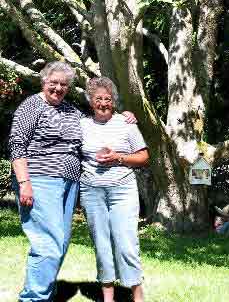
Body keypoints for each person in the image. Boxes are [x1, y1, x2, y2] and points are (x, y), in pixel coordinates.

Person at [9, 61, 136, 302]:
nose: (58, 88)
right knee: (48, 243)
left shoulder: (70, 110)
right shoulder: (31, 106)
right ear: (43, 82)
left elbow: (99, 120)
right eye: (53, 83)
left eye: (63, 85)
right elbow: (17, 145)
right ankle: (33, 298)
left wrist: (124, 116)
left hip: (69, 182)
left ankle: (44, 293)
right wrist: (24, 181)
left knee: (61, 242)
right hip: (39, 179)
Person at [80, 77, 149, 302]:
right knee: (101, 244)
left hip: (123, 190)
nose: (103, 103)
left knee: (126, 242)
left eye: (107, 99)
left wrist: (118, 157)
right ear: (91, 101)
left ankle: (137, 296)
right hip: (92, 191)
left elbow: (143, 156)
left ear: (113, 101)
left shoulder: (126, 123)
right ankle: (108, 299)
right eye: (98, 98)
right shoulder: (82, 125)